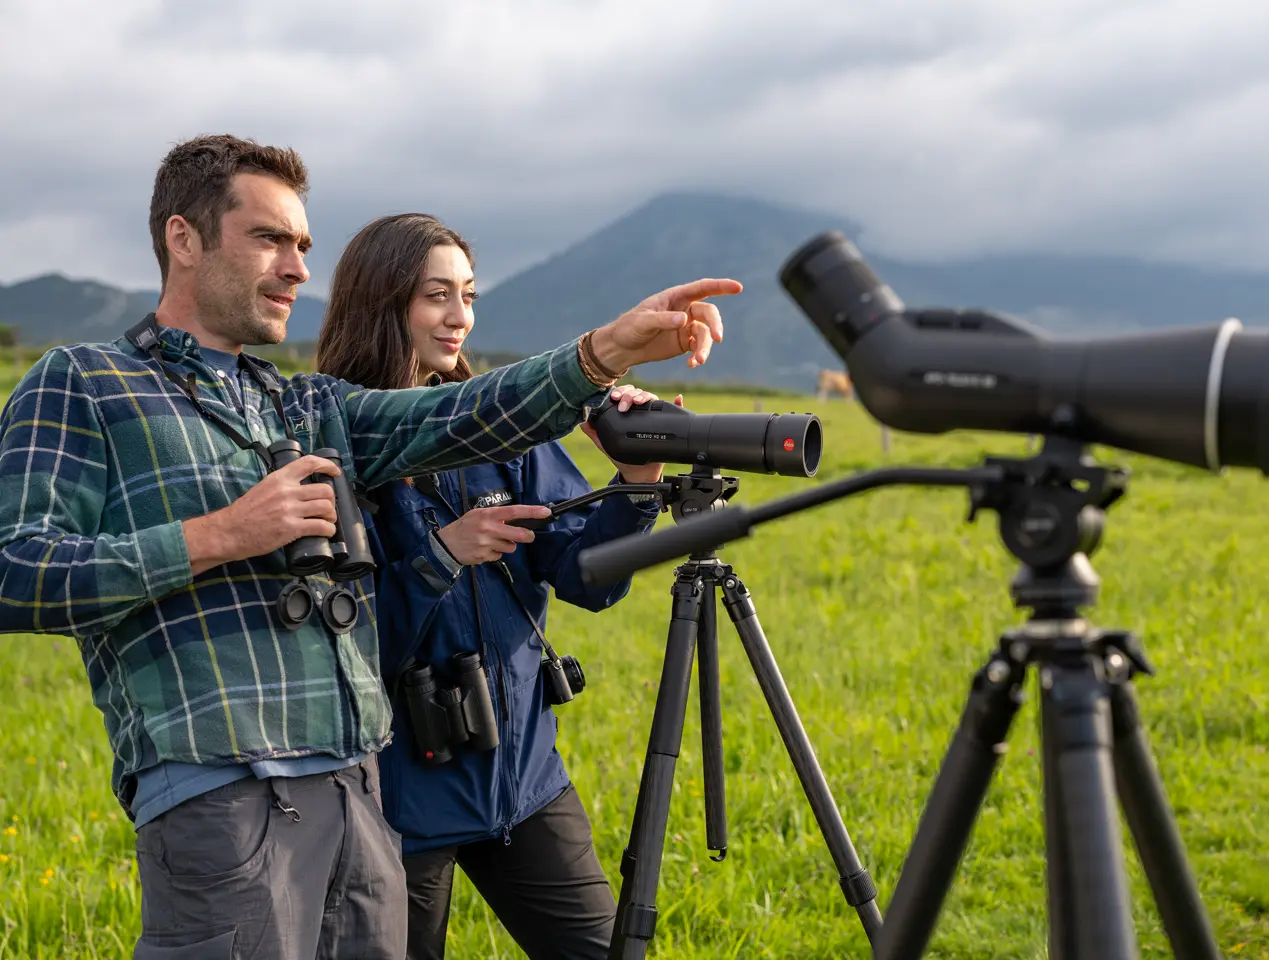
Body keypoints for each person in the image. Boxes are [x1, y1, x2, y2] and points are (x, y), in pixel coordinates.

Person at [0, 134, 741, 960]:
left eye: (304, 246)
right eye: (269, 239)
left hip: (359, 786)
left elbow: (459, 416)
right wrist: (222, 536)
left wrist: (599, 356)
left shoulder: (308, 406)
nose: (296, 268)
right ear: (184, 238)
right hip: (225, 784)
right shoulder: (85, 381)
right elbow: (11, 570)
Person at [314, 212, 671, 959]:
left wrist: (636, 484)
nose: (459, 317)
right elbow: (343, 645)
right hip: (398, 801)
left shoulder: (506, 430)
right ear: (383, 303)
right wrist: (441, 555)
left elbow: (587, 579)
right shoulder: (332, 440)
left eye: (469, 295)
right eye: (435, 295)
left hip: (524, 777)